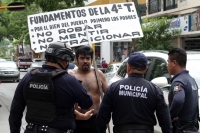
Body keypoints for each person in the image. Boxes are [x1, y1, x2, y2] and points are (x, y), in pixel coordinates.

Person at [9, 42, 93, 133]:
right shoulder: (69, 81)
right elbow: (87, 103)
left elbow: (15, 111)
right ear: (64, 61)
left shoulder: (28, 78)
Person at [96, 52, 172, 133]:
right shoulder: (155, 90)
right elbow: (165, 120)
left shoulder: (113, 88)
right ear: (146, 69)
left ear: (128, 67)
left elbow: (102, 118)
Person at [68, 45, 108, 133]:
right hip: (77, 120)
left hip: (96, 119)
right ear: (77, 59)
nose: (85, 61)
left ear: (91, 60)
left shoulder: (98, 74)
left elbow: (108, 95)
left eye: (88, 58)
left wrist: (105, 113)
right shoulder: (70, 75)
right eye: (82, 58)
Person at [167, 48, 198, 132]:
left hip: (182, 129)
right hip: (192, 128)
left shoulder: (178, 81)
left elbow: (178, 100)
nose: (167, 65)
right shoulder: (191, 80)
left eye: (168, 62)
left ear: (174, 63)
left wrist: (169, 117)